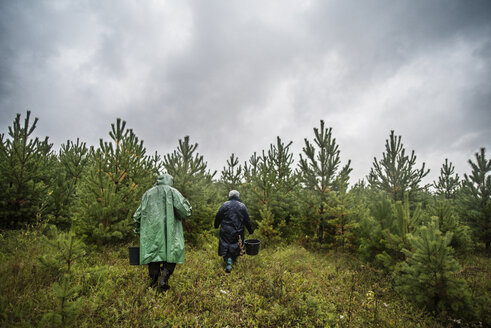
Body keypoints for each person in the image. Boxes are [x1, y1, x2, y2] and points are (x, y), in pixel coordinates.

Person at [133, 174, 192, 290]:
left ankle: (154, 281)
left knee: (153, 254)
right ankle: (164, 279)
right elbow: (185, 212)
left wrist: (138, 230)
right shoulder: (174, 192)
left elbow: (137, 215)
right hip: (171, 231)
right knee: (172, 251)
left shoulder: (147, 194)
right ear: (170, 181)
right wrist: (188, 207)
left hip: (151, 231)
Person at [214, 190, 253, 273]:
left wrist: (216, 225)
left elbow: (218, 216)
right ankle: (231, 261)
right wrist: (250, 230)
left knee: (226, 245)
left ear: (229, 196)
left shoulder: (224, 205)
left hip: (225, 230)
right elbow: (247, 220)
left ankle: (228, 262)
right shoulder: (242, 206)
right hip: (238, 230)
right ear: (238, 196)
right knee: (236, 245)